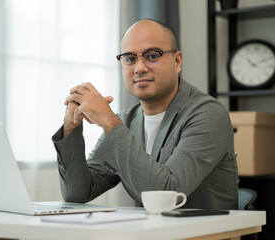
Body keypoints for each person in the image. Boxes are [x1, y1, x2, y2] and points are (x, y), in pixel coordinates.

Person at [52, 19, 239, 210]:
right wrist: (71, 127)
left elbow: (167, 192)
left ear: (177, 61)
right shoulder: (125, 121)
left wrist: (108, 120)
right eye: (130, 58)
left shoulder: (208, 114)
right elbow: (78, 193)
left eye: (152, 56)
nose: (139, 68)